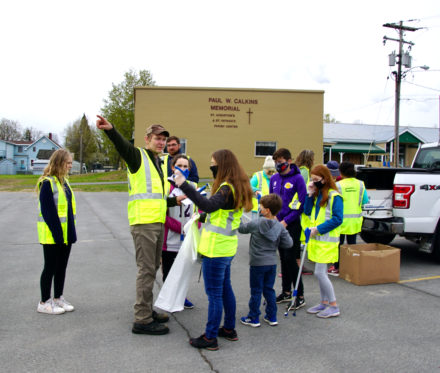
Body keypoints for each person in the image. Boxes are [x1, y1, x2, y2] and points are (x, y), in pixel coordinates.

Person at [96, 115, 185, 336]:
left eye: (164, 139)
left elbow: (156, 196)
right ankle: (142, 319)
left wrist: (175, 200)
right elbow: (123, 146)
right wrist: (111, 130)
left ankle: (146, 309)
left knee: (153, 267)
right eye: (157, 138)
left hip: (156, 221)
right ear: (147, 139)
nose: (161, 142)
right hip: (143, 223)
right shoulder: (138, 157)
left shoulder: (159, 162)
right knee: (146, 271)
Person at [173, 149, 253, 351]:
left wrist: (184, 185)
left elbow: (208, 206)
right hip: (226, 247)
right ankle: (228, 329)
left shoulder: (227, 188)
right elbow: (218, 214)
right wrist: (200, 218)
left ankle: (210, 338)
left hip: (215, 249)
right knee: (225, 289)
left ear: (223, 164)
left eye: (213, 163)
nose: (211, 166)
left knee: (215, 294)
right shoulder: (237, 185)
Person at [238, 194, 293, 327]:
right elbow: (289, 243)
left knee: (256, 290)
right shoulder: (279, 226)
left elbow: (241, 229)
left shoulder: (256, 223)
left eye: (261, 207)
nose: (259, 209)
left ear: (266, 210)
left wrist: (238, 216)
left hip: (257, 262)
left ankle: (253, 317)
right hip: (271, 262)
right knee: (269, 289)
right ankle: (272, 316)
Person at [36, 149, 76, 315]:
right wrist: (58, 235)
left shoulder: (64, 183)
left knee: (61, 267)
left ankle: (58, 297)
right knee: (50, 267)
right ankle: (44, 301)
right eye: (67, 163)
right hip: (52, 236)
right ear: (59, 163)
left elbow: (67, 211)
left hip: (65, 236)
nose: (70, 166)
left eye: (71, 163)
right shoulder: (47, 183)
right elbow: (48, 212)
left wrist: (71, 235)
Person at [304, 165, 343, 318]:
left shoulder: (334, 196)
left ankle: (333, 305)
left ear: (324, 178)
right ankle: (324, 302)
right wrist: (309, 193)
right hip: (317, 240)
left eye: (316, 180)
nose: (314, 182)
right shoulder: (317, 194)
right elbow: (307, 211)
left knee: (320, 273)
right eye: (312, 180)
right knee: (319, 273)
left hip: (327, 241)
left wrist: (318, 229)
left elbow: (338, 219)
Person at [270, 148, 307, 308]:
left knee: (291, 259)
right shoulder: (274, 179)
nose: (279, 165)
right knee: (283, 259)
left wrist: (285, 221)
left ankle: (299, 294)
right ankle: (286, 292)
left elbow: (301, 204)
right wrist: (275, 218)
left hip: (291, 225)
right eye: (276, 162)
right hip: (278, 223)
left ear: (289, 161)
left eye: (281, 162)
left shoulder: (298, 179)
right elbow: (272, 200)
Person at [161, 154, 197, 309]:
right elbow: (161, 214)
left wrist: (194, 225)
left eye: (185, 166)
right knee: (169, 272)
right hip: (170, 239)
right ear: (172, 167)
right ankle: (169, 298)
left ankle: (181, 297)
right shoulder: (166, 186)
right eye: (179, 165)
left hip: (187, 238)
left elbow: (198, 209)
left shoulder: (192, 186)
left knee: (183, 270)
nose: (182, 169)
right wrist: (179, 228)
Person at [328, 161, 368, 276]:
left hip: (340, 221)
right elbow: (365, 200)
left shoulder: (338, 185)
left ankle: (336, 267)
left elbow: (333, 203)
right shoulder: (361, 184)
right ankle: (351, 266)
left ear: (340, 172)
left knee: (338, 245)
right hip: (355, 221)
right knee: (352, 244)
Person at [295, 149, 315, 275]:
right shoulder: (305, 172)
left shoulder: (297, 170)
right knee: (299, 235)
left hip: (295, 206)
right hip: (301, 207)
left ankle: (296, 265)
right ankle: (297, 266)